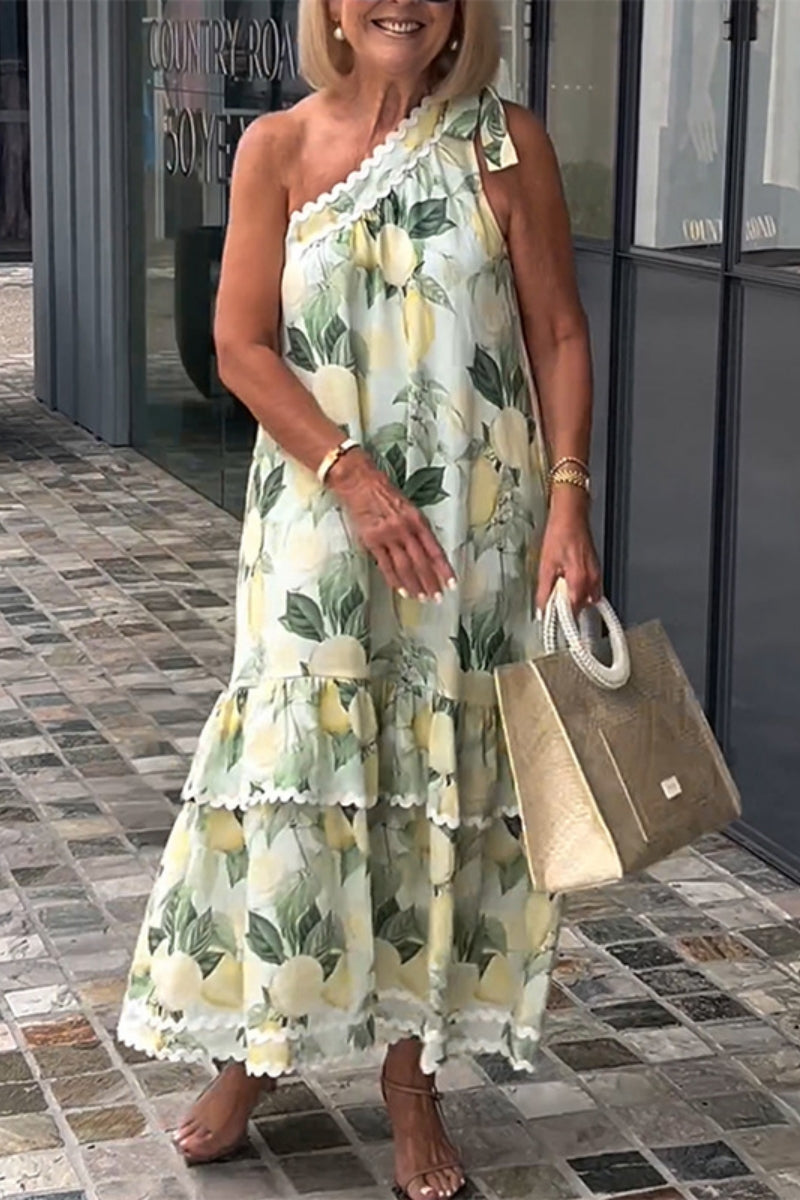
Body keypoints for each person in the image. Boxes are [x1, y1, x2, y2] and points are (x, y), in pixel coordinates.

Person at [117, 2, 601, 1197]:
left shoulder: (505, 143)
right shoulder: (275, 146)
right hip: (319, 520)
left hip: (470, 539)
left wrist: (567, 502)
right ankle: (255, 1053)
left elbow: (554, 333)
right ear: (329, 6)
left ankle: (410, 1085)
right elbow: (240, 344)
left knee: (437, 798)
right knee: (289, 785)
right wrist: (351, 475)